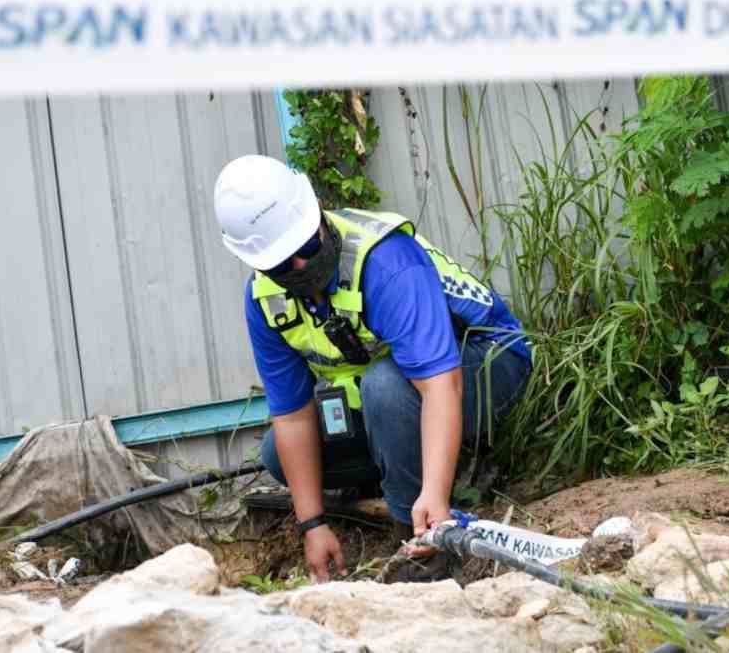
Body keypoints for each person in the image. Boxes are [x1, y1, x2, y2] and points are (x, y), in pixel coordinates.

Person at [212, 154, 532, 582]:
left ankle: (421, 542)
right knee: (276, 453)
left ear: (318, 213)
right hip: (400, 394)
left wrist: (434, 496)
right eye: (281, 263)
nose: (300, 266)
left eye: (306, 248)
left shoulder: (385, 260)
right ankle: (400, 471)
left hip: (487, 363)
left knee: (386, 387)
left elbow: (441, 385)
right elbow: (292, 416)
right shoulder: (264, 301)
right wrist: (312, 524)